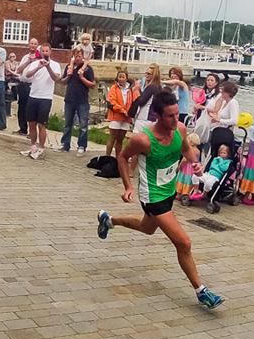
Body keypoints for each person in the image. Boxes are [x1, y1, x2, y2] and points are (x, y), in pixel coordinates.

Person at [96, 90, 224, 309]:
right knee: (183, 243)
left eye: (177, 114)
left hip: (169, 191)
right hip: (152, 197)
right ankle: (201, 291)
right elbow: (123, 157)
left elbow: (186, 149)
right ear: (157, 115)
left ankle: (109, 220)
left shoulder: (180, 129)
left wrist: (195, 162)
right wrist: (127, 186)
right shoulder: (143, 140)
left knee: (147, 228)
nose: (176, 120)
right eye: (170, 116)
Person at [22, 43, 62, 159]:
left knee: (41, 124)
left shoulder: (55, 65)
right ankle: (33, 145)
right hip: (33, 95)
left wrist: (48, 66)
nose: (45, 53)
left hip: (46, 97)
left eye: (46, 51)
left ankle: (41, 147)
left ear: (50, 52)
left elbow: (56, 78)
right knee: (31, 123)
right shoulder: (35, 63)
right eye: (43, 51)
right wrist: (39, 67)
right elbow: (28, 75)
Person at [59, 46, 96, 153]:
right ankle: (65, 145)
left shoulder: (88, 69)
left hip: (82, 101)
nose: (77, 58)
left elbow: (93, 85)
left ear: (83, 56)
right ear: (73, 56)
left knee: (83, 125)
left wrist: (82, 77)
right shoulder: (68, 67)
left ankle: (82, 145)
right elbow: (63, 81)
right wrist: (68, 76)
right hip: (69, 99)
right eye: (76, 56)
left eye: (79, 56)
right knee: (67, 124)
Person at [106, 70, 136, 159]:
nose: (121, 79)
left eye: (123, 77)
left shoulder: (130, 90)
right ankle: (107, 157)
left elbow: (132, 102)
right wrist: (122, 110)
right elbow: (113, 101)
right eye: (120, 77)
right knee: (112, 138)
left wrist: (130, 113)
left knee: (120, 139)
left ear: (126, 78)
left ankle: (118, 158)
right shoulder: (114, 88)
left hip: (126, 118)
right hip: (116, 116)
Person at [14, 38, 40, 135]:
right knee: (22, 107)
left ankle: (32, 131)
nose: (33, 45)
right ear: (29, 45)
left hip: (33, 85)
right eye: (31, 43)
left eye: (35, 44)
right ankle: (22, 128)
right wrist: (28, 62)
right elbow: (18, 70)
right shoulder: (25, 57)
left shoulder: (39, 57)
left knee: (31, 108)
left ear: (37, 46)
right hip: (23, 84)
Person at [131, 65, 163, 135]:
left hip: (144, 118)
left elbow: (141, 101)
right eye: (146, 73)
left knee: (137, 141)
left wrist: (136, 90)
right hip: (153, 118)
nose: (146, 75)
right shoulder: (159, 87)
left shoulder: (151, 87)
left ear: (153, 75)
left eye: (148, 74)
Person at [175, 132, 201, 198]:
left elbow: (184, 159)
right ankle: (186, 193)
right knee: (188, 181)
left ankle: (178, 194)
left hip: (186, 167)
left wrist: (179, 166)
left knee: (182, 179)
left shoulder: (189, 150)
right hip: (192, 168)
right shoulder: (198, 151)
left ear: (191, 142)